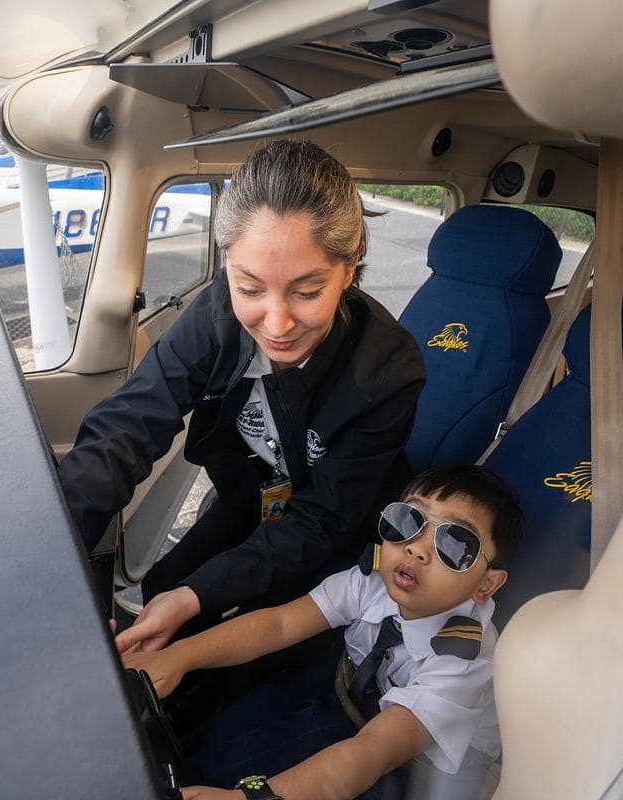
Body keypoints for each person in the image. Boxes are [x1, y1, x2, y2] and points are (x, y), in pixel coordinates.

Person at [58, 140, 426, 654]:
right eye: (250, 287)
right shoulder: (215, 318)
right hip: (252, 498)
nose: (275, 325)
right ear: (226, 260)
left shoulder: (388, 371)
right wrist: (51, 560)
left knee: (227, 648)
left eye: (306, 290)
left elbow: (320, 521)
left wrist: (201, 597)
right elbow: (126, 427)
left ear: (351, 264)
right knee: (163, 590)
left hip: (338, 534)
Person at [123, 464, 523, 800]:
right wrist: (177, 657)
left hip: (419, 765)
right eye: (409, 519)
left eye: (455, 543)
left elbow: (373, 751)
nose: (417, 548)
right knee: (231, 731)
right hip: (352, 695)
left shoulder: (463, 663)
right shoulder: (373, 580)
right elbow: (279, 625)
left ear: (486, 585)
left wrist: (254, 797)